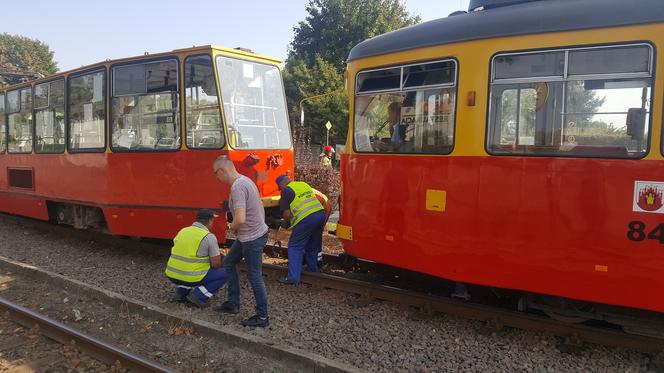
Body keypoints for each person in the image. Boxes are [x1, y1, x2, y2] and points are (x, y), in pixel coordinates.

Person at [212, 155, 270, 328]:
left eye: (216, 174)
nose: (216, 178)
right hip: (252, 234)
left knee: (254, 275)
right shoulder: (245, 180)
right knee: (229, 262)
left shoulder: (237, 187)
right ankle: (233, 303)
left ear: (222, 170)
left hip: (251, 238)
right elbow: (259, 206)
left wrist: (231, 227)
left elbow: (240, 218)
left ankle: (262, 317)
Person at [165, 209, 227, 308]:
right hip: (190, 277)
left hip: (172, 274)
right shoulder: (209, 237)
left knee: (188, 268)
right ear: (210, 221)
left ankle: (181, 294)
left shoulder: (183, 231)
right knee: (226, 272)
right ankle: (198, 296)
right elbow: (216, 264)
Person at [275, 175, 327, 284]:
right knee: (312, 245)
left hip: (307, 219)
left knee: (295, 247)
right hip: (320, 214)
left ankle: (293, 278)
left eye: (279, 187)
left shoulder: (286, 191)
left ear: (282, 184)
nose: (280, 189)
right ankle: (314, 272)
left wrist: (287, 222)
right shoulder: (303, 184)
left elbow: (287, 213)